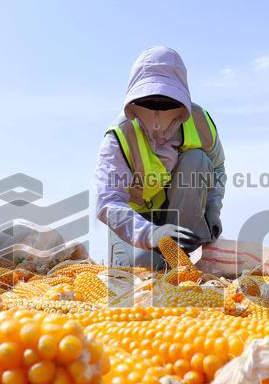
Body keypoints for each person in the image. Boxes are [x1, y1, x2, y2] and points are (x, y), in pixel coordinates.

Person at [95, 47, 226, 269]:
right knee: (146, 266)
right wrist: (150, 233)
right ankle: (155, 259)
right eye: (149, 103)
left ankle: (182, 252)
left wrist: (213, 209)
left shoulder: (200, 122)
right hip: (134, 224)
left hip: (176, 215)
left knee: (198, 160)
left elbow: (217, 167)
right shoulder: (120, 135)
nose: (157, 117)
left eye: (166, 103)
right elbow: (108, 201)